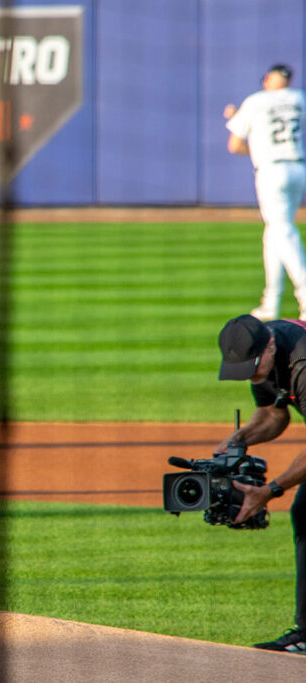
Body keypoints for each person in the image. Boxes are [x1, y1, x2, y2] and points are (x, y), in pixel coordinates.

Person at [214, 313, 306, 653]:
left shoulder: (303, 362)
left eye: (253, 367)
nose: (251, 376)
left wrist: (270, 491)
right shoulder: (266, 354)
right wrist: (240, 439)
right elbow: (273, 415)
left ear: (269, 346)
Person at [223, 64, 306, 321]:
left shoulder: (256, 101)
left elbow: (235, 144)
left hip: (271, 171)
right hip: (298, 168)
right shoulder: (299, 98)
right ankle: (270, 302)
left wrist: (237, 116)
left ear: (268, 80)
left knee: (282, 230)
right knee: (274, 233)